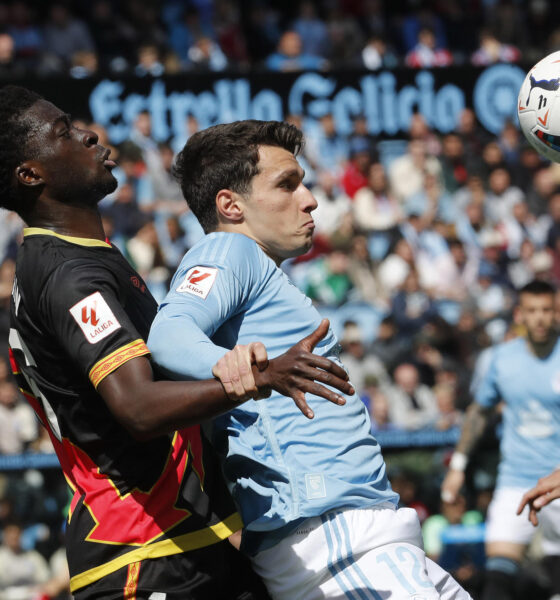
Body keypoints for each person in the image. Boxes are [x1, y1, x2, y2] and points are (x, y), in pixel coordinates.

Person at [0, 85, 354, 600]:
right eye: (63, 133)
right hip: (142, 556)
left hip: (186, 542)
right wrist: (257, 378)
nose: (88, 134)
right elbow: (139, 406)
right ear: (31, 175)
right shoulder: (69, 277)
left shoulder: (82, 258)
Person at [148, 119, 471, 599]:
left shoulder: (259, 270)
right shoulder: (228, 249)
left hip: (361, 539)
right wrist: (235, 368)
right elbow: (169, 332)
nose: (310, 198)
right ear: (230, 205)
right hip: (335, 537)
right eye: (287, 184)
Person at [441, 280, 560, 600]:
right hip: (515, 479)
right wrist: (458, 465)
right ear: (520, 314)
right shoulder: (501, 359)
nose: (539, 318)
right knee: (497, 578)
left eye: (547, 310)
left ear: (556, 312)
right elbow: (479, 413)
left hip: (559, 481)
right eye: (532, 310)